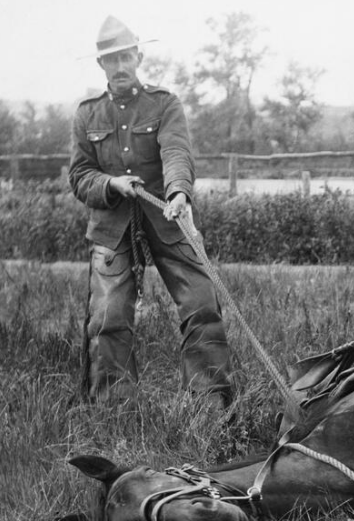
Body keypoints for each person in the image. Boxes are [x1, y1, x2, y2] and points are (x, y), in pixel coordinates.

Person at [69, 16, 232, 408]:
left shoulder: (164, 104)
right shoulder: (86, 114)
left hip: (169, 219)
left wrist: (179, 193)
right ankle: (115, 405)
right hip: (111, 227)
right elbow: (79, 176)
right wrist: (111, 184)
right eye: (112, 59)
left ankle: (210, 402)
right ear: (101, 65)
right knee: (108, 315)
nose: (120, 65)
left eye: (126, 56)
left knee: (202, 302)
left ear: (138, 56)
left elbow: (176, 151)